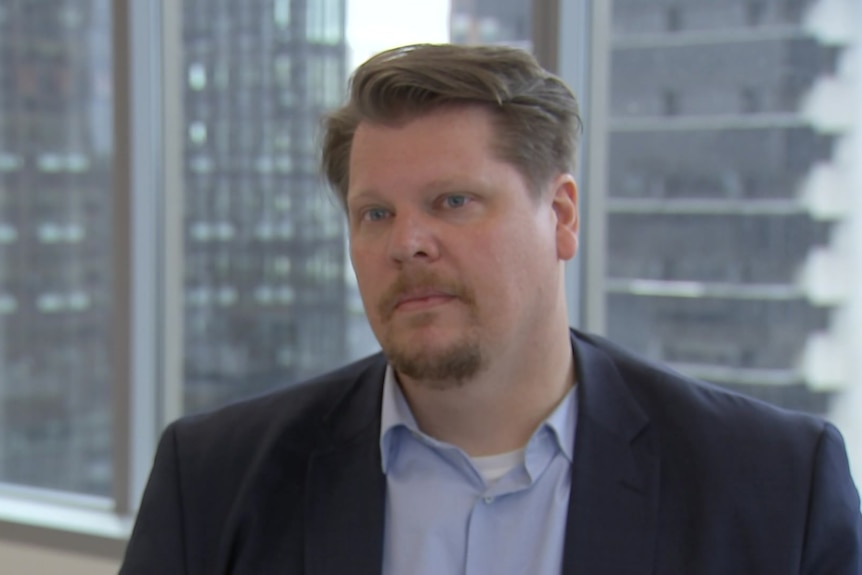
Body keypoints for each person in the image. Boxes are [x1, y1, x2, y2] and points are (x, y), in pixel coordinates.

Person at [120, 43, 862, 575]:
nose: (407, 243)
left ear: (562, 215)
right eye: (374, 214)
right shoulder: (214, 483)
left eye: (454, 201)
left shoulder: (772, 488)